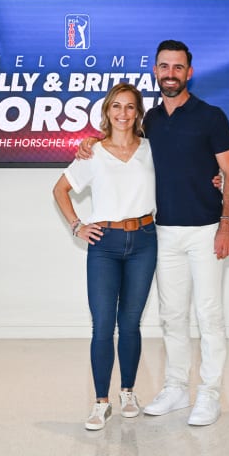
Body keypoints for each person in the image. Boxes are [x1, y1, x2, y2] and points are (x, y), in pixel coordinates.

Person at [78, 40, 229, 426]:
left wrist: (227, 224)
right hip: (162, 233)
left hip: (205, 231)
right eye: (164, 67)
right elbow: (122, 145)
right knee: (171, 316)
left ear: (189, 72)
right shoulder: (148, 120)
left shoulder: (211, 116)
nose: (171, 73)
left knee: (209, 315)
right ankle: (176, 388)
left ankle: (210, 394)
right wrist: (90, 143)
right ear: (155, 71)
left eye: (178, 67)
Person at [53, 82, 157, 431]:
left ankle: (128, 392)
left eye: (130, 107)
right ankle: (101, 402)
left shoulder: (151, 149)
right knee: (102, 326)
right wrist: (76, 226)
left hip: (144, 240)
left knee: (130, 323)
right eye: (116, 107)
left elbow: (182, 175)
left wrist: (214, 179)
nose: (123, 114)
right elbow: (60, 189)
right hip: (104, 246)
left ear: (138, 112)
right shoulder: (93, 152)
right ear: (107, 112)